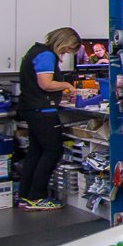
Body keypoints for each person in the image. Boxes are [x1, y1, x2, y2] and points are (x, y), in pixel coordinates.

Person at [17, 27, 80, 211]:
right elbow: (45, 83)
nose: (67, 52)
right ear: (63, 41)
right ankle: (37, 197)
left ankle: (25, 196)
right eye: (69, 48)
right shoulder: (46, 55)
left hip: (31, 108)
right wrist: (67, 85)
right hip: (42, 112)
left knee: (35, 152)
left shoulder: (35, 51)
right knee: (53, 151)